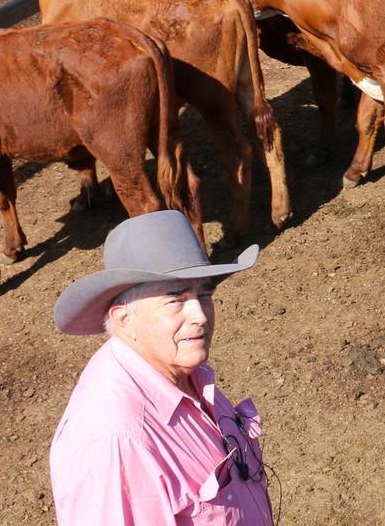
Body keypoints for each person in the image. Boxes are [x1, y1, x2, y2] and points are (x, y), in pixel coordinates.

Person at [49, 210, 273, 525]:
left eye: (204, 294)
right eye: (175, 299)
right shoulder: (114, 441)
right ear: (125, 319)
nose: (201, 315)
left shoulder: (181, 370)